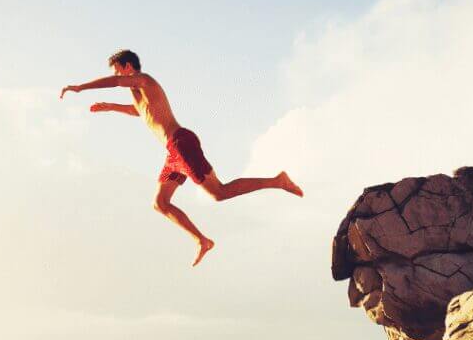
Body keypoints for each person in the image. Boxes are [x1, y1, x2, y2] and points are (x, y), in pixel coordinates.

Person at [60, 49, 303, 266]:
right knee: (160, 203)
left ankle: (277, 181)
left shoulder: (145, 81)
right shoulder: (138, 94)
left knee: (219, 192)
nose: (117, 76)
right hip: (173, 152)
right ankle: (203, 241)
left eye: (118, 71)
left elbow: (114, 82)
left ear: (127, 67)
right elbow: (141, 112)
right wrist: (112, 107)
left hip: (181, 143)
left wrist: (80, 87)